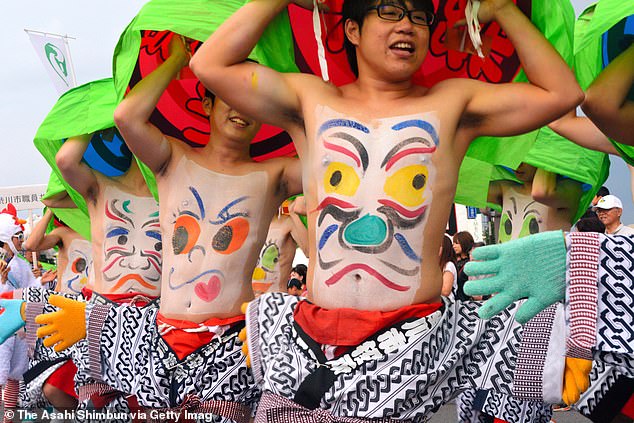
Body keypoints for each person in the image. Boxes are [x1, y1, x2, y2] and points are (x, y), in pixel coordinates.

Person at [188, 0, 583, 420]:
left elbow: (562, 94)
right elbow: (211, 64)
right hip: (312, 336)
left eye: (419, 18)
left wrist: (503, 8)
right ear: (353, 30)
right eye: (391, 12)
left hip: (415, 341)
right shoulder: (309, 99)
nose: (408, 26)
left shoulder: (454, 103)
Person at [37, 34, 302, 421]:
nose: (242, 109)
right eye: (231, 95)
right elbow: (126, 116)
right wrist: (174, 60)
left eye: (252, 100)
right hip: (156, 333)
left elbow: (325, 164)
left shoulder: (275, 173)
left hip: (230, 341)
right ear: (207, 103)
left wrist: (292, 111)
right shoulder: (172, 161)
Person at [0, 210, 40, 420]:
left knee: (15, 375)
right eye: (18, 236)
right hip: (3, 326)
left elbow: (30, 288)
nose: (21, 240)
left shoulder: (20, 263)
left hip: (18, 327)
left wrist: (43, 282)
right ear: (8, 237)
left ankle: (7, 418)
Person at [452, 231, 473, 300]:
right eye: (453, 244)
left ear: (465, 243)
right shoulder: (455, 262)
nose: (454, 246)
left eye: (457, 243)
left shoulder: (471, 263)